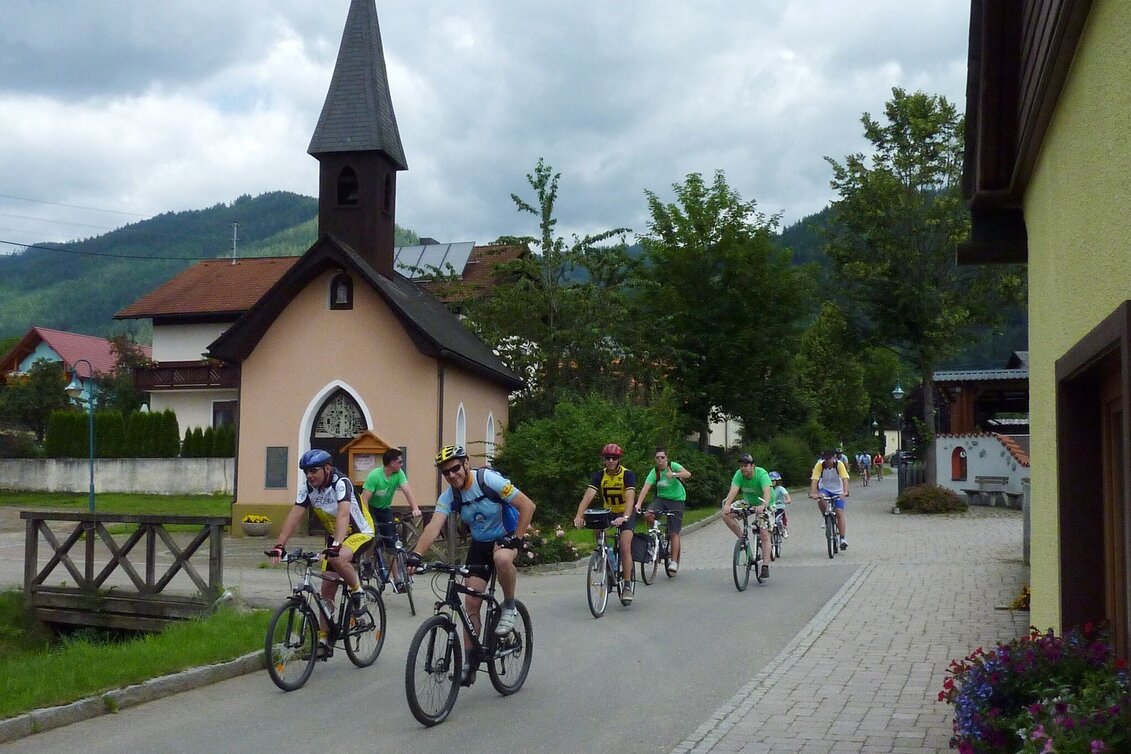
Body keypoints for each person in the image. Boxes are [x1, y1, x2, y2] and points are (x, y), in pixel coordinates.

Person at [406, 445, 535, 678]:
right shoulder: (450, 496)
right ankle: (470, 661)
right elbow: (434, 526)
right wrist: (416, 555)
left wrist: (515, 539)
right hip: (479, 544)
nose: (451, 475)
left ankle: (508, 606)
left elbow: (528, 506)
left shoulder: (488, 481)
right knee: (471, 603)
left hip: (505, 535)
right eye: (446, 473)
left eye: (455, 468)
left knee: (502, 558)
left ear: (466, 463)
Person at [268, 448, 375, 657]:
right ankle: (324, 640)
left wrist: (336, 545)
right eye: (306, 471)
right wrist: (279, 545)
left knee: (339, 559)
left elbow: (344, 514)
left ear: (327, 468)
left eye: (313, 470)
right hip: (336, 537)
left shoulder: (340, 483)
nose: (309, 475)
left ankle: (358, 591)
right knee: (327, 590)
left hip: (360, 532)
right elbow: (295, 514)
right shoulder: (308, 488)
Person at [573, 443, 637, 603]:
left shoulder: (627, 475)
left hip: (625, 513)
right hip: (609, 512)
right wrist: (579, 515)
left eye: (614, 458)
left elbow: (630, 498)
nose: (610, 461)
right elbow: (587, 497)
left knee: (624, 546)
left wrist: (626, 517)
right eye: (607, 458)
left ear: (619, 459)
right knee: (597, 528)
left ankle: (627, 585)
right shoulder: (599, 475)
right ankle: (606, 561)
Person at [360, 447, 422, 589]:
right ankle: (367, 563)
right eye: (400, 462)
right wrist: (367, 520)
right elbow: (364, 499)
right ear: (392, 463)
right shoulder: (375, 476)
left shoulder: (398, 473)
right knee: (372, 536)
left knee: (392, 544)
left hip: (384, 509)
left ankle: (398, 580)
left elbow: (407, 490)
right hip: (370, 508)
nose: (401, 464)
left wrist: (415, 508)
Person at [636, 447, 690, 574]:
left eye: (662, 457)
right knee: (648, 514)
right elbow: (645, 488)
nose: (660, 460)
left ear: (666, 458)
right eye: (657, 458)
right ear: (655, 459)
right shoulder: (654, 472)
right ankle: (654, 534)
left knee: (674, 532)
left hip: (677, 500)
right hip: (661, 500)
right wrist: (638, 504)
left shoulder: (672, 466)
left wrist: (675, 474)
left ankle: (674, 562)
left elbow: (688, 474)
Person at [721, 453, 773, 579]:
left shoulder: (761, 474)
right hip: (748, 503)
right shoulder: (739, 474)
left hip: (764, 503)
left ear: (752, 466)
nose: (743, 468)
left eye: (746, 466)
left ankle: (765, 566)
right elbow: (733, 490)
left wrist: (763, 505)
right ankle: (742, 539)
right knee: (725, 515)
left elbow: (767, 492)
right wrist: (727, 505)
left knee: (764, 532)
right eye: (741, 466)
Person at [809, 449, 851, 551]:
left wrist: (845, 492)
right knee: (821, 497)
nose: (827, 462)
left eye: (829, 459)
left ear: (833, 458)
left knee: (839, 512)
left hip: (838, 490)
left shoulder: (839, 465)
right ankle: (825, 515)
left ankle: (842, 539)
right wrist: (814, 493)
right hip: (825, 488)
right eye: (826, 459)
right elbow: (814, 480)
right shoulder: (819, 465)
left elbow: (845, 478)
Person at [769, 470, 791, 537]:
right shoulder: (767, 489)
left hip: (779, 507)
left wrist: (788, 500)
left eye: (773, 481)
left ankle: (783, 530)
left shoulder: (780, 488)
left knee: (778, 520)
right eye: (770, 481)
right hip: (770, 508)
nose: (772, 482)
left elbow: (786, 495)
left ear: (777, 481)